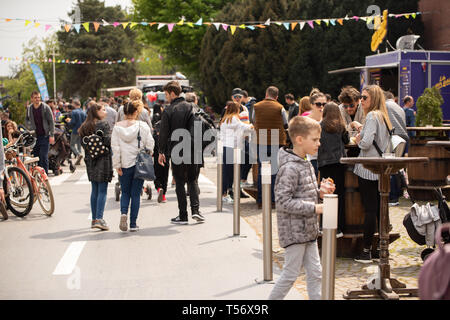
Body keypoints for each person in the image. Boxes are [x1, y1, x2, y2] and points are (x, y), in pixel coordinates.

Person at [268, 116, 335, 300]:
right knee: (290, 275)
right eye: (315, 139)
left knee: (316, 273)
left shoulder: (305, 162)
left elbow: (303, 193)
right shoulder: (289, 168)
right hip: (295, 232)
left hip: (309, 231)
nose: (319, 143)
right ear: (299, 139)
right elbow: (282, 201)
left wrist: (320, 191)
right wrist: (315, 208)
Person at [353, 85, 392, 263]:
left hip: (368, 168)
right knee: (379, 210)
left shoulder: (371, 116)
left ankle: (367, 250)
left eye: (364, 97)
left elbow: (366, 143)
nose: (361, 100)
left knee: (370, 209)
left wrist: (359, 139)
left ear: (373, 99)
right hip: (382, 168)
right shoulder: (384, 116)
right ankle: (380, 249)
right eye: (361, 97)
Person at [159, 81, 204, 224]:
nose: (166, 97)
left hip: (177, 149)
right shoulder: (192, 107)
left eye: (166, 94)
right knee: (192, 180)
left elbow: (164, 133)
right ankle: (196, 211)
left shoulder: (168, 110)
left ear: (172, 93)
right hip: (193, 149)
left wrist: (161, 152)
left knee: (179, 182)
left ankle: (183, 215)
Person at [112, 100, 154, 232]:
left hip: (124, 164)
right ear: (136, 112)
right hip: (139, 164)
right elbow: (150, 144)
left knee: (125, 192)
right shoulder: (143, 126)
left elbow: (115, 148)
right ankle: (133, 224)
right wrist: (148, 154)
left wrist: (117, 164)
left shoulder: (117, 127)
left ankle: (123, 213)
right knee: (136, 194)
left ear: (124, 112)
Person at [79, 102, 113, 231]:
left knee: (94, 189)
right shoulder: (103, 125)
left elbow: (84, 146)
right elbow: (108, 142)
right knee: (102, 190)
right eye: (103, 110)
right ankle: (99, 218)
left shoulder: (84, 127)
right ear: (96, 112)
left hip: (90, 160)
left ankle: (94, 219)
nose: (106, 112)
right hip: (103, 160)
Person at [317, 102, 349, 238]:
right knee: (339, 195)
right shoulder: (341, 126)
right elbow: (347, 141)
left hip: (324, 164)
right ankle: (339, 227)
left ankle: (324, 226)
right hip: (339, 163)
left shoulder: (319, 126)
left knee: (325, 195)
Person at [253, 86, 288, 208]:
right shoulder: (280, 107)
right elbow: (286, 123)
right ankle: (273, 200)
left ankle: (261, 200)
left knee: (262, 171)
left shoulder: (256, 106)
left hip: (261, 139)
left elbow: (253, 120)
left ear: (266, 94)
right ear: (276, 97)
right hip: (276, 139)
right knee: (274, 171)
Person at [219, 101, 254, 203]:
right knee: (228, 172)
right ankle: (224, 194)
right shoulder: (233, 118)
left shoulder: (226, 119)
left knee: (228, 171)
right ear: (236, 109)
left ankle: (226, 192)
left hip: (227, 146)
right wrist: (253, 126)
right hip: (231, 147)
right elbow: (244, 127)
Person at [25, 91, 55, 174]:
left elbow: (51, 121)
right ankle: (38, 175)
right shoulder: (29, 108)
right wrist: (29, 127)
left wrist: (52, 135)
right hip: (35, 137)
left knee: (43, 156)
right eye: (35, 97)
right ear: (32, 99)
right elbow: (26, 119)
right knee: (36, 156)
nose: (37, 99)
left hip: (45, 136)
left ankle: (45, 175)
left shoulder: (45, 107)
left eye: (38, 97)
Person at [151, 99, 169, 203]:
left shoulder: (157, 125)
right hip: (167, 152)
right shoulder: (169, 126)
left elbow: (153, 140)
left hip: (157, 152)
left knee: (156, 173)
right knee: (165, 174)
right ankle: (164, 195)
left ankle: (158, 188)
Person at [306, 92, 326, 178]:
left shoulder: (327, 121)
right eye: (318, 104)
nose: (321, 107)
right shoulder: (305, 121)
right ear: (311, 105)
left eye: (324, 104)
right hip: (311, 159)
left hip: (326, 160)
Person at [66, 99, 86, 165]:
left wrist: (68, 122)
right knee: (79, 144)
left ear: (74, 104)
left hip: (75, 130)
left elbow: (73, 122)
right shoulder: (83, 112)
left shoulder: (74, 112)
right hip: (82, 130)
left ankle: (78, 154)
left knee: (72, 145)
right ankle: (79, 159)